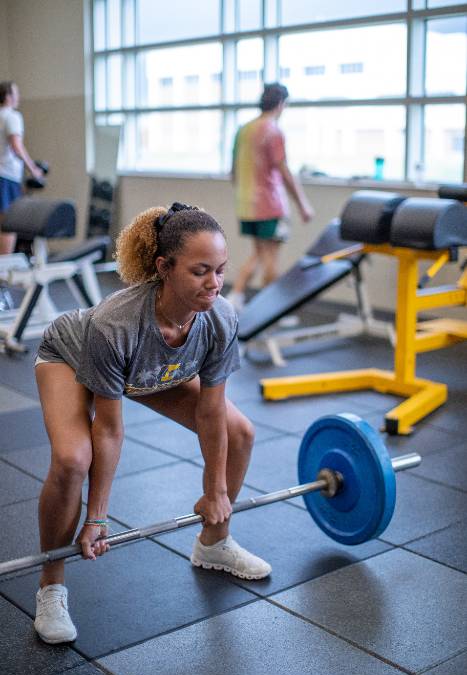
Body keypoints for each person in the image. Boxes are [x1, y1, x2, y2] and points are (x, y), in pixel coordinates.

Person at [33, 202, 271, 645]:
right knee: (71, 459)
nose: (214, 284)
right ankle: (51, 586)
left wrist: (215, 491)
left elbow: (212, 411)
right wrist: (97, 518)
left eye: (220, 270)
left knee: (241, 432)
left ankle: (214, 542)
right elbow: (108, 428)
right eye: (200, 271)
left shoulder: (219, 318)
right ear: (164, 267)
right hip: (72, 357)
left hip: (145, 369)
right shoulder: (115, 324)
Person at [228, 82, 315, 311]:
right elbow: (284, 171)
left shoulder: (243, 130)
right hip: (269, 206)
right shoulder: (273, 131)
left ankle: (236, 296)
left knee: (258, 253)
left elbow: (233, 172)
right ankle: (272, 310)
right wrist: (303, 204)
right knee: (270, 259)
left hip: (246, 206)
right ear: (281, 104)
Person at [0, 81, 43, 255]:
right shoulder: (12, 116)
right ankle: (4, 271)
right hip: (6, 177)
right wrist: (34, 170)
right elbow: (16, 146)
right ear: (8, 97)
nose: (19, 97)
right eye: (16, 93)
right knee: (8, 224)